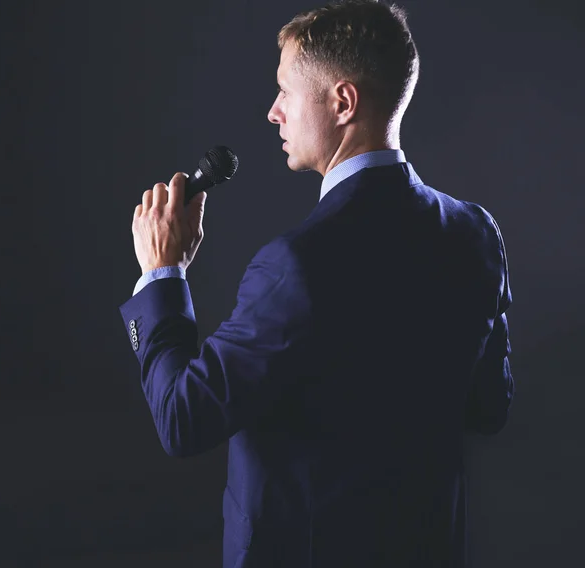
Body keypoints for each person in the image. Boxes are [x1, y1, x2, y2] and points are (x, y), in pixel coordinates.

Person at [118, 1, 515, 566]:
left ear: (343, 102)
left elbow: (183, 420)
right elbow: (488, 408)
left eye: (285, 91)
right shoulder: (476, 234)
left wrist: (163, 272)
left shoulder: (294, 266)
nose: (273, 112)